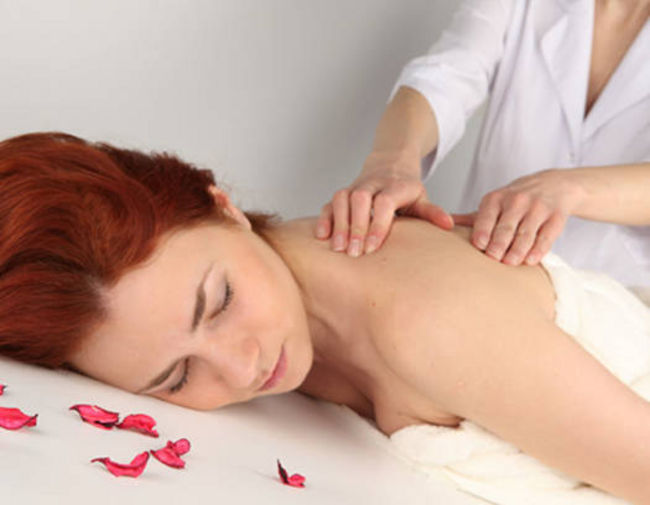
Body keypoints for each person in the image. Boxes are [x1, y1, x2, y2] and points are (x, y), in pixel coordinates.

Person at [1, 132, 649, 503]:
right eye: (176, 377)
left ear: (223, 205)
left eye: (220, 301)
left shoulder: (432, 326)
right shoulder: (303, 299)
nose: (242, 367)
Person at [315, 0, 650, 288]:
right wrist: (393, 161)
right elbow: (446, 76)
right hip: (486, 274)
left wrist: (567, 189)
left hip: (627, 298)